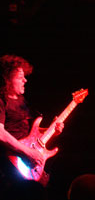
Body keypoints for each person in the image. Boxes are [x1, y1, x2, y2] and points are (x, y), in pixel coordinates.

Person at [0, 54, 63, 188]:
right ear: (7, 79)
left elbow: (32, 134)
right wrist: (28, 153)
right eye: (19, 77)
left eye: (24, 76)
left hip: (27, 163)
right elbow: (0, 134)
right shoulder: (1, 101)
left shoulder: (23, 101)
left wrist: (51, 131)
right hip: (10, 163)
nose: (25, 80)